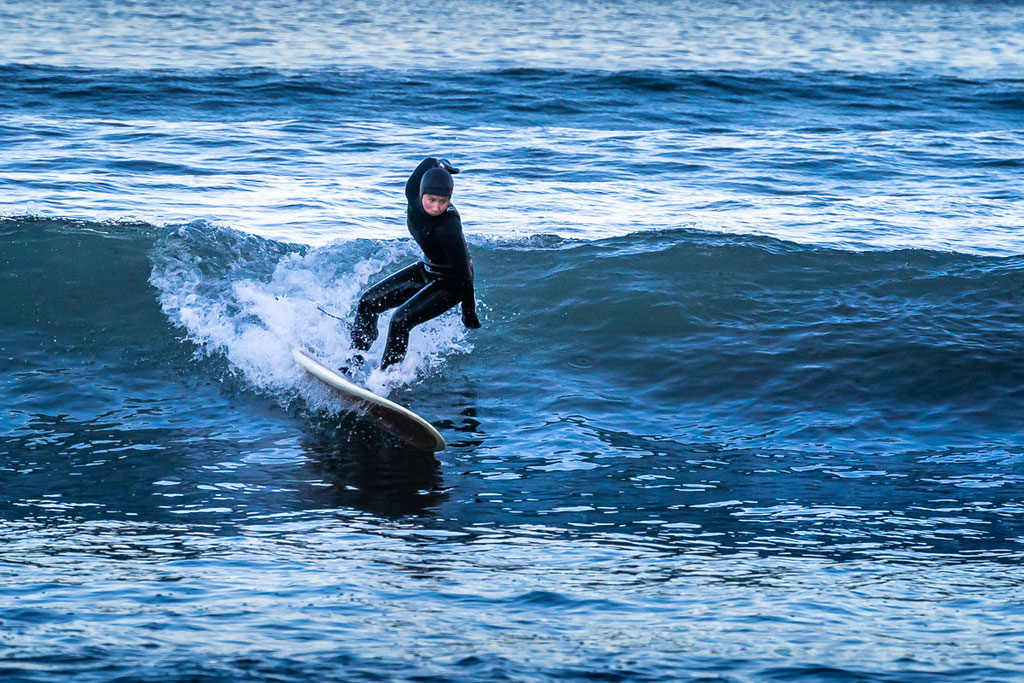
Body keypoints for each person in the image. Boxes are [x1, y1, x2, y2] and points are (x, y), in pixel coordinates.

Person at [348, 156, 481, 370]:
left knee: (400, 321)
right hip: (428, 269)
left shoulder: (449, 225)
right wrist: (440, 164)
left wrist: (469, 311)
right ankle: (354, 360)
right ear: (420, 194)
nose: (437, 207)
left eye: (443, 201)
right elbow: (428, 161)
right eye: (431, 199)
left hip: (451, 284)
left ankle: (387, 379)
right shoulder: (412, 191)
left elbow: (464, 272)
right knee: (367, 303)